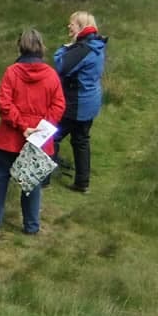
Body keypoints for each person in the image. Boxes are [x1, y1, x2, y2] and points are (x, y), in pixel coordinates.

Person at [0, 28, 66, 234]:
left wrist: (22, 125)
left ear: (20, 46)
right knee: (32, 183)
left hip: (10, 137)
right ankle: (31, 225)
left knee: (1, 177)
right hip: (38, 139)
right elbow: (59, 105)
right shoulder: (51, 75)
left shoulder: (11, 72)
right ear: (41, 47)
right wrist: (42, 128)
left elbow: (5, 105)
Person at [53, 11, 107, 194]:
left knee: (51, 136)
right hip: (90, 102)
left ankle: (43, 178)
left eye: (72, 23)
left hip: (76, 105)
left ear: (81, 27)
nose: (69, 26)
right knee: (81, 140)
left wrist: (65, 48)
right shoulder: (97, 44)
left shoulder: (82, 49)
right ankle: (82, 183)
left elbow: (61, 65)